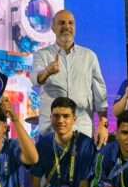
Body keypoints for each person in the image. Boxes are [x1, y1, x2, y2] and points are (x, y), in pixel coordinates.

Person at [32, 10, 109, 146]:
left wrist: (103, 124)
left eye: (70, 23)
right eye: (61, 23)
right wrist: (48, 71)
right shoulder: (42, 55)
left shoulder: (89, 56)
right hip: (51, 129)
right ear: (53, 28)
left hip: (82, 128)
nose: (67, 26)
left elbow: (100, 94)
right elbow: (36, 80)